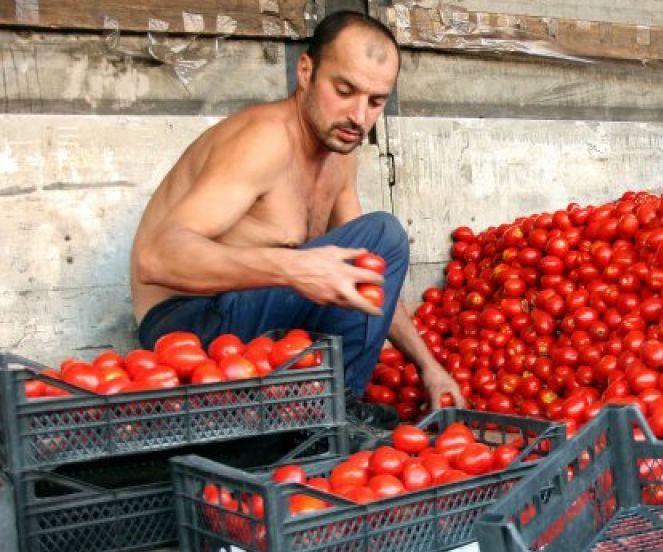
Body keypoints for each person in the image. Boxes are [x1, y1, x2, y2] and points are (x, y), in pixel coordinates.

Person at [129, 11, 464, 423]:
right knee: (384, 233)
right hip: (189, 324)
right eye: (344, 90)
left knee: (375, 245)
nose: (359, 117)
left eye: (375, 102)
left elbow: (368, 276)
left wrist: (427, 365)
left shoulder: (341, 155)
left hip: (249, 322)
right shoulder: (264, 140)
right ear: (305, 71)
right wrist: (292, 266)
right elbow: (155, 258)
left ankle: (334, 413)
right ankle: (338, 417)